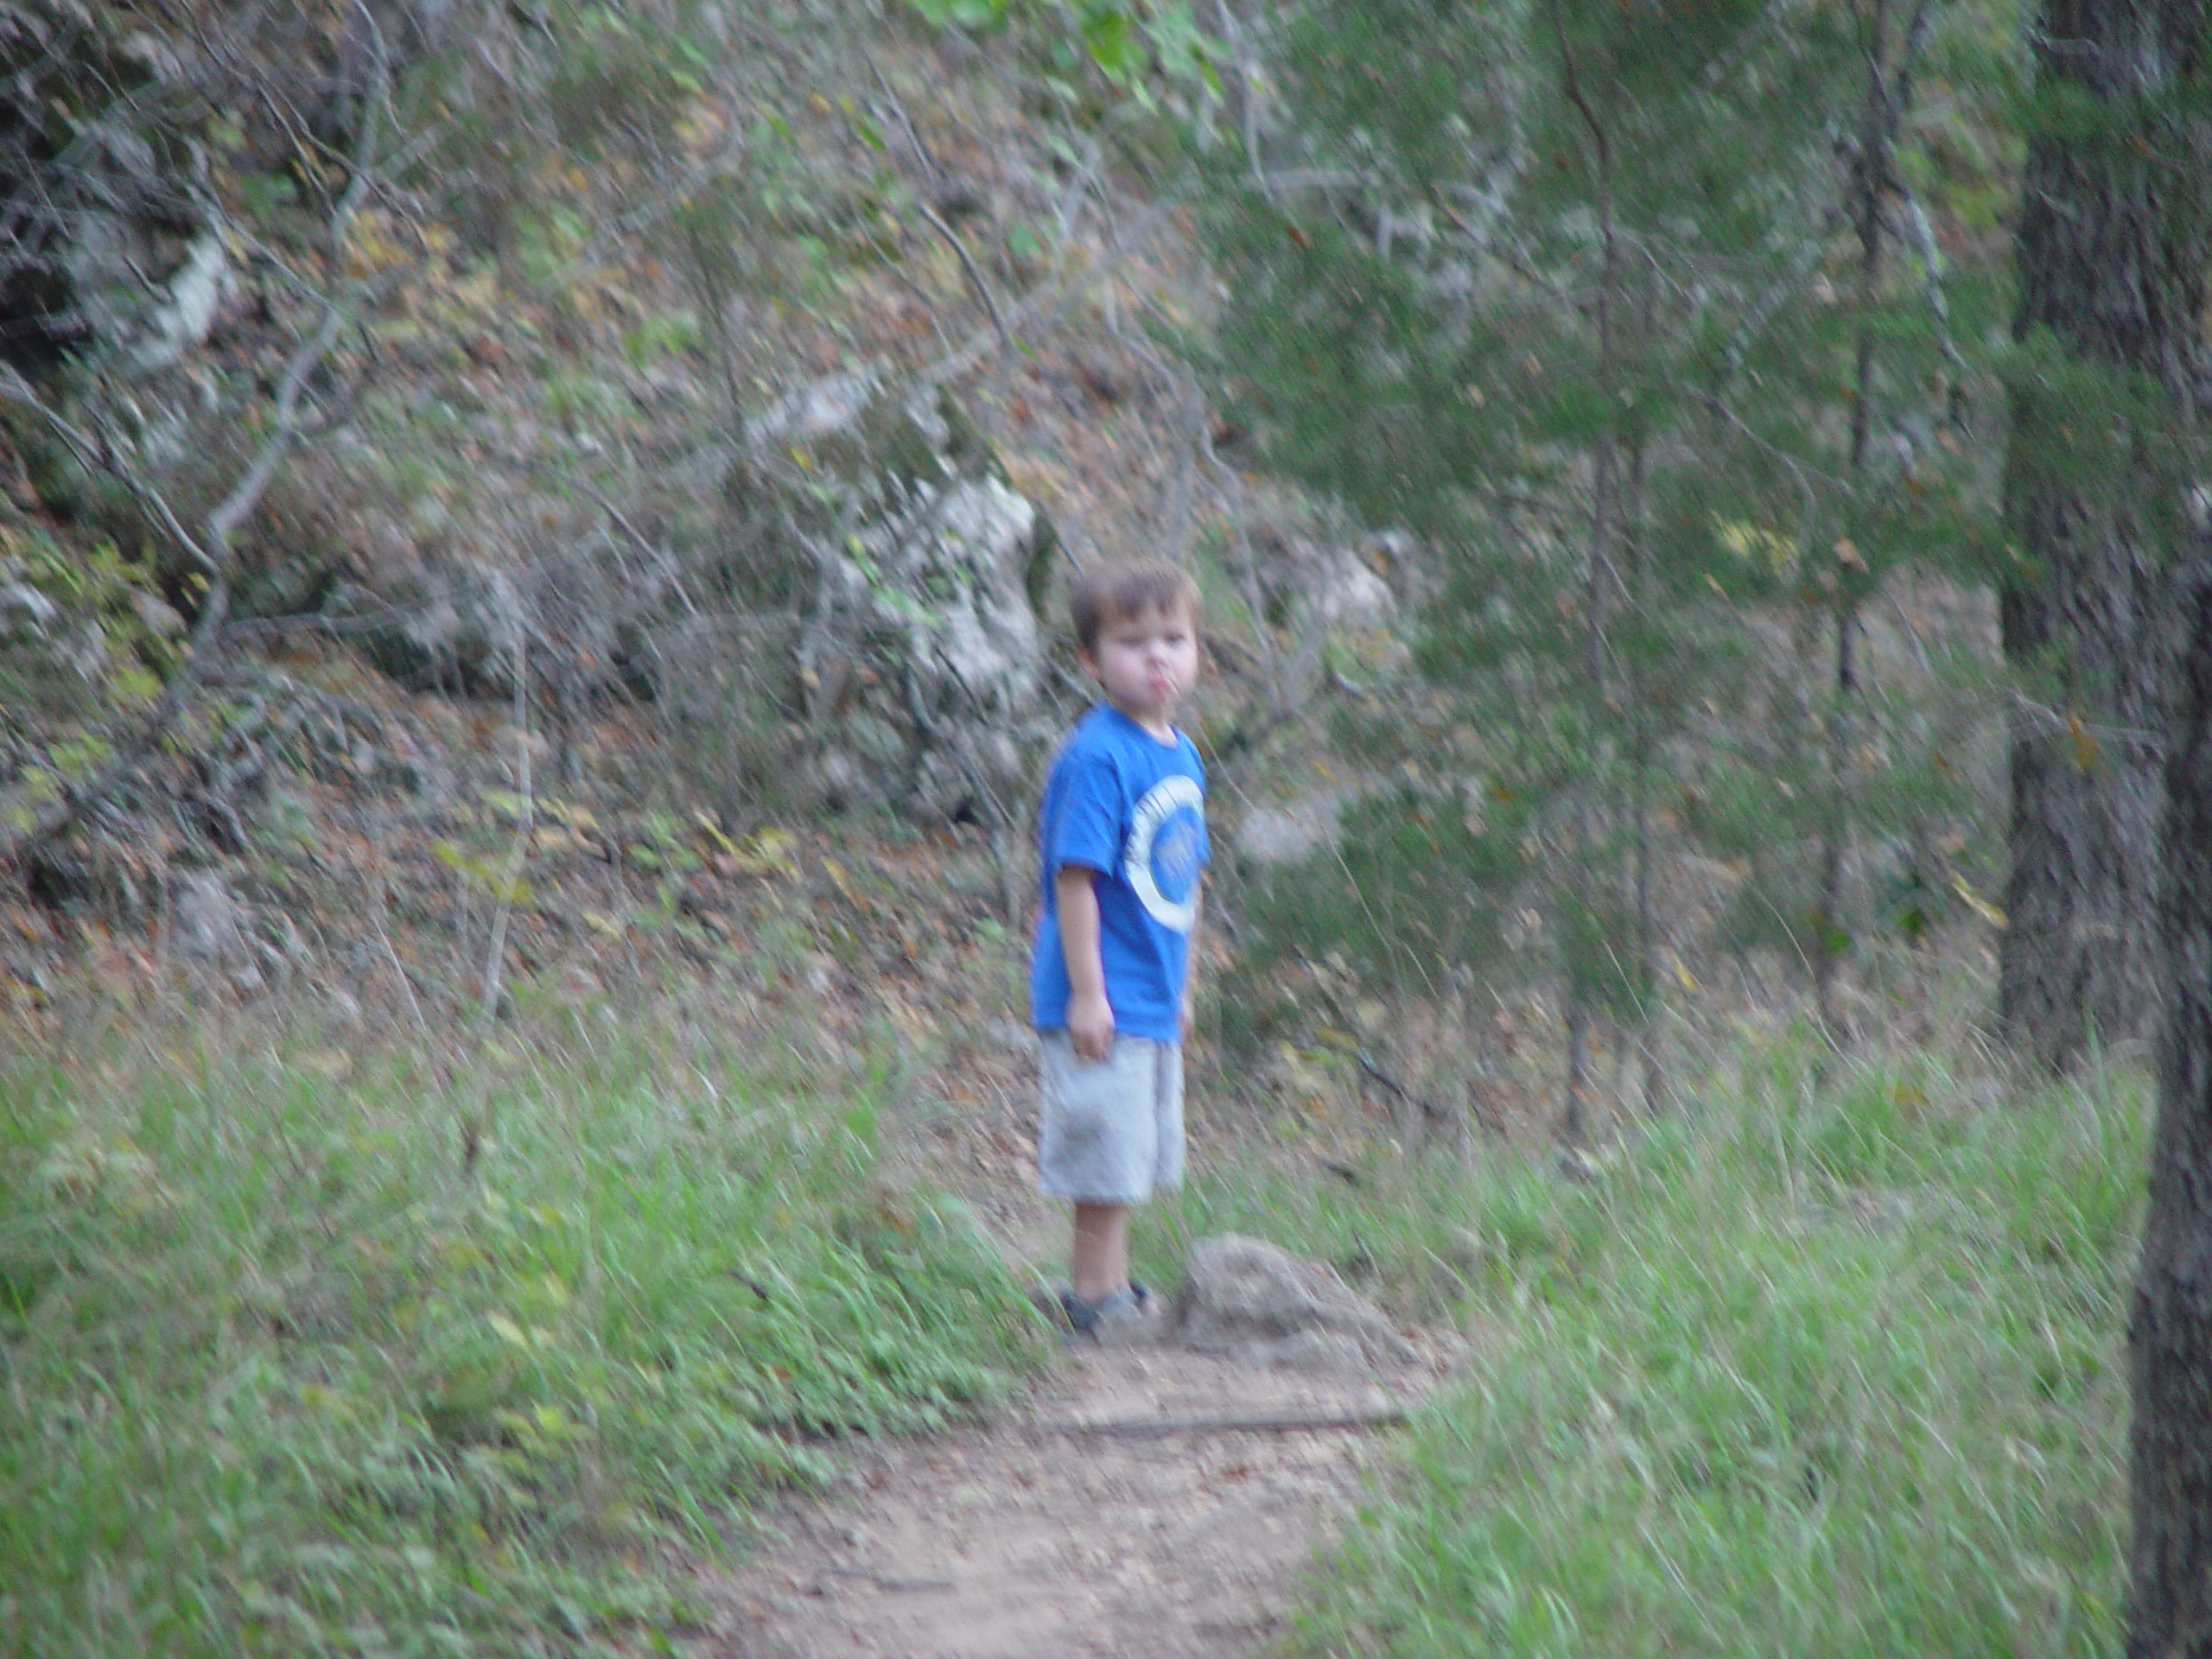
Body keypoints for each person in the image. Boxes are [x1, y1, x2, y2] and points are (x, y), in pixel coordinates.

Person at [1030, 558, 1208, 1338]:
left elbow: (1184, 880)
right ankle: (1090, 1301)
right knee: (1102, 1152)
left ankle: (1116, 1288)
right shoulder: (1097, 756)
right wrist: (1087, 992)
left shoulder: (1181, 754)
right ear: (1092, 660)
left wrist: (1185, 986)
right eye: (1135, 643)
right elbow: (1075, 879)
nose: (1158, 657)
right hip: (1104, 989)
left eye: (1175, 638)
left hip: (1153, 989)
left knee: (1132, 1152)